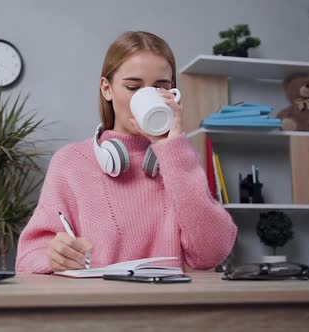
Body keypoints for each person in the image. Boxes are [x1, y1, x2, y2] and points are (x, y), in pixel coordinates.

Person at [15, 31, 237, 273]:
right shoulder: (70, 162)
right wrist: (54, 257)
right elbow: (26, 259)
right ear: (107, 89)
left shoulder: (180, 161)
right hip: (99, 309)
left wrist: (172, 150)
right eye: (133, 87)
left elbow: (211, 254)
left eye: (160, 88)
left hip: (170, 308)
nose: (147, 97)